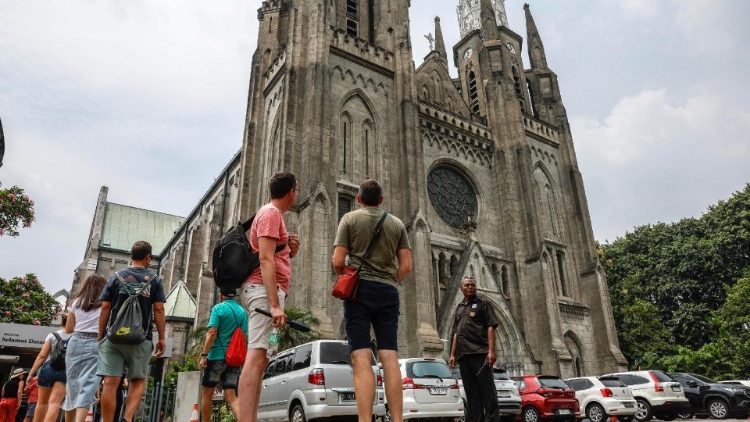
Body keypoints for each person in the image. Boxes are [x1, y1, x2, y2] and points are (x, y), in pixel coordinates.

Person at [332, 179, 413, 422]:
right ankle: (397, 419)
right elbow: (406, 266)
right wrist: (392, 279)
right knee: (390, 357)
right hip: (388, 292)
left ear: (358, 199)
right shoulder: (397, 224)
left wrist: (348, 273)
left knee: (361, 356)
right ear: (381, 200)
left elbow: (338, 261)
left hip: (359, 291)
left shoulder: (349, 219)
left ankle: (365, 419)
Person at [238, 171, 300, 422]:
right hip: (264, 293)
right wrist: (274, 305)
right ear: (292, 192)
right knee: (255, 358)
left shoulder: (273, 215)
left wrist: (289, 251)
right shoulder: (271, 213)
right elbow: (264, 259)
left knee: (261, 358)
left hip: (266, 292)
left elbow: (272, 255)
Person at [97, 241, 166, 422]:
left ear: (131, 256)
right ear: (148, 258)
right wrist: (162, 338)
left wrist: (101, 334)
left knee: (110, 382)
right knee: (137, 381)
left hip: (114, 337)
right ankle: (127, 419)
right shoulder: (154, 279)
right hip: (141, 338)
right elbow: (158, 309)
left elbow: (105, 307)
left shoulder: (115, 276)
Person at [448, 276, 500, 422]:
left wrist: (491, 351)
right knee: (472, 394)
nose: (470, 287)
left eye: (472, 285)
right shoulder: (459, 308)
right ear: (461, 288)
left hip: (480, 354)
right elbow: (456, 333)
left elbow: (491, 326)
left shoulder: (483, 304)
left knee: (488, 393)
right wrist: (452, 355)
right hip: (463, 357)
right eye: (467, 285)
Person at [63, 273, 107, 422]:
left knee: (72, 384)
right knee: (88, 385)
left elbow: (68, 329)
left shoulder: (76, 303)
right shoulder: (106, 304)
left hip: (75, 342)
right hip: (96, 343)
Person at [199, 289, 248, 421]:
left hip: (216, 357)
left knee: (207, 394)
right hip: (233, 359)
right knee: (232, 396)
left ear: (221, 295)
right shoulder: (243, 312)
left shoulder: (218, 308)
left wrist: (204, 354)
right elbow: (243, 335)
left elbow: (212, 332)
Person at [27, 316, 69, 422]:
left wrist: (31, 373)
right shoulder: (76, 337)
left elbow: (42, 356)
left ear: (62, 322)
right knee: (55, 403)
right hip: (65, 370)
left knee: (41, 403)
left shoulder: (52, 335)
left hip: (48, 369)